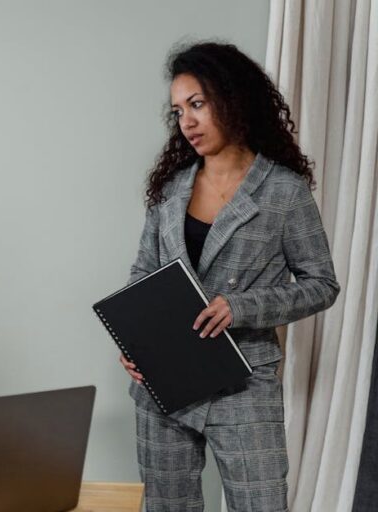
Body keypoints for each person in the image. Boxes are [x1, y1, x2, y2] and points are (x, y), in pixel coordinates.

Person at [121, 42, 339, 511]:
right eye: (178, 110)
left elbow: (322, 284)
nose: (187, 121)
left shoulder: (283, 191)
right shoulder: (171, 188)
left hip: (243, 383)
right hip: (164, 382)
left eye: (197, 104)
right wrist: (134, 344)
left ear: (233, 98)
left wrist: (240, 307)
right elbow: (143, 273)